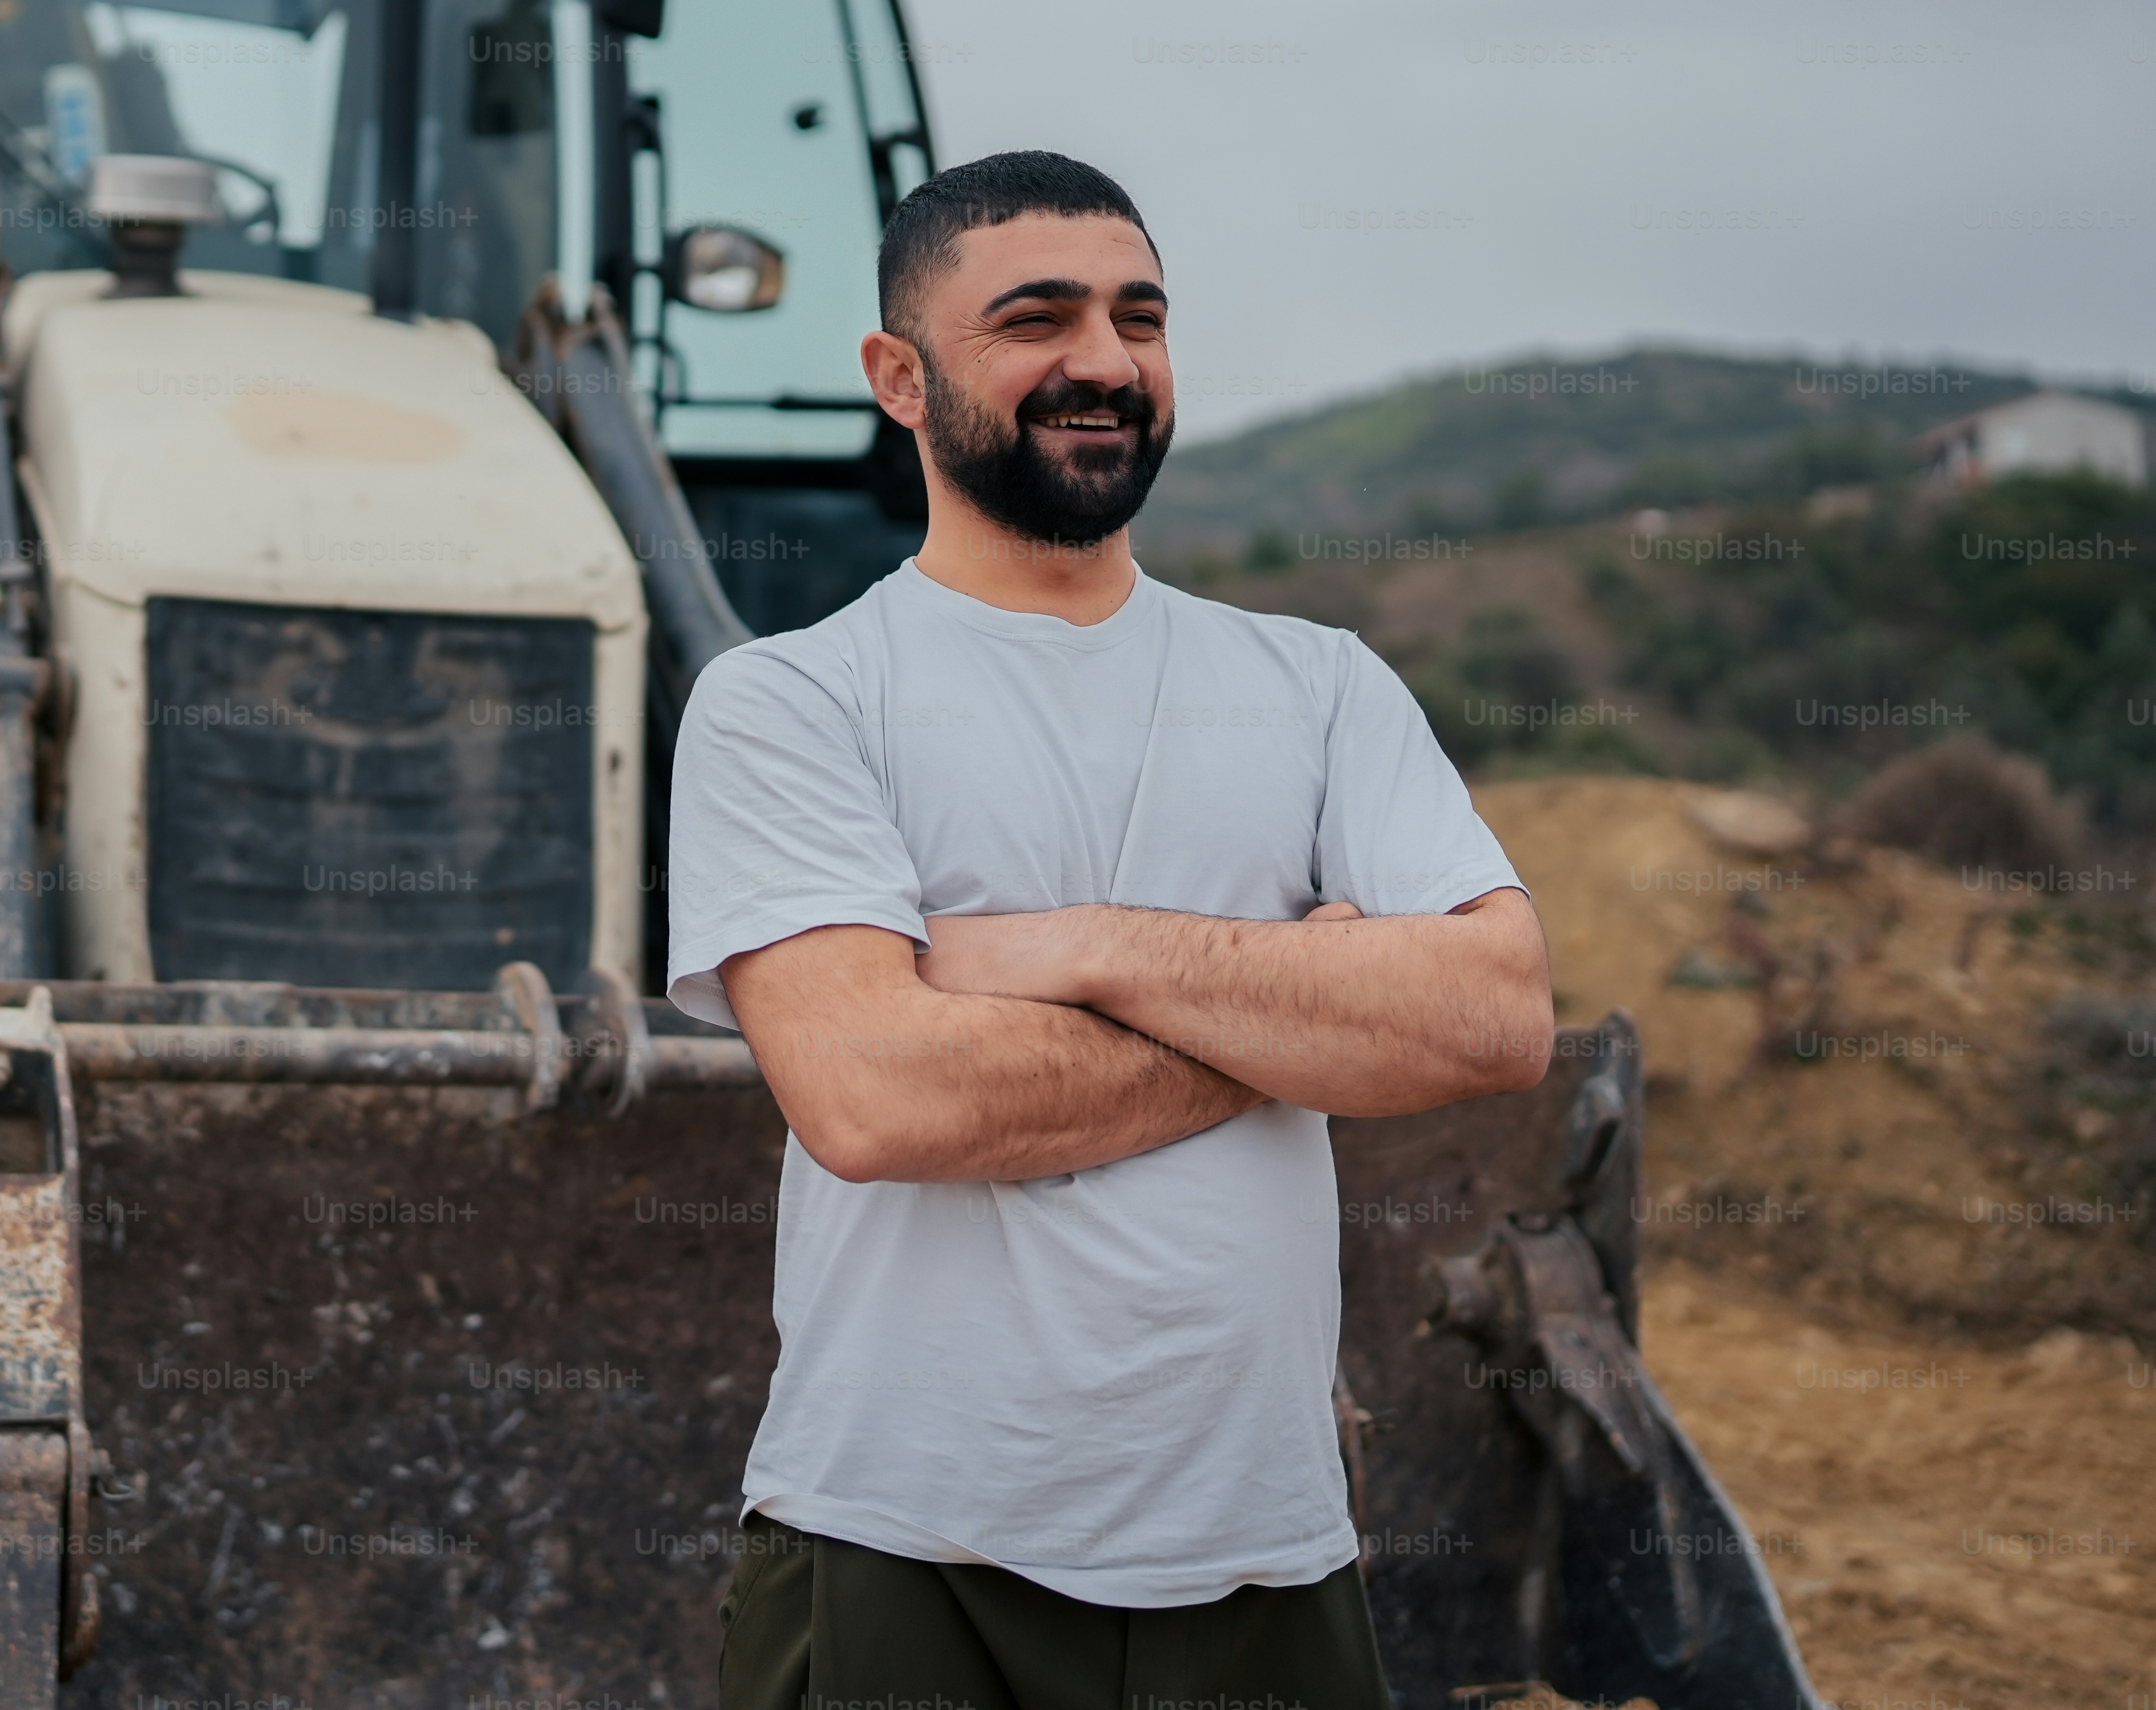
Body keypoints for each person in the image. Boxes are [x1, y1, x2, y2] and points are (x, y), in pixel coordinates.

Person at [666, 149, 1554, 1710]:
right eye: (1037, 319)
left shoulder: (1319, 685)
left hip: (1269, 1562)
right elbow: (879, 1100)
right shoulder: (791, 703)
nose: (1104, 362)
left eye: (1139, 318)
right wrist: (1301, 1022)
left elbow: (1492, 1020)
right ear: (898, 373)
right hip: (901, 1553)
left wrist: (1084, 948)